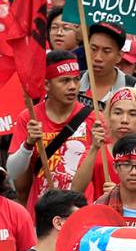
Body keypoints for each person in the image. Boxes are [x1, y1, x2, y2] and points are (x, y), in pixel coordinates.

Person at [7, 51, 95, 211]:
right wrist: (28, 144)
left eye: (76, 79)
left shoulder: (94, 119)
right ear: (46, 84)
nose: (73, 86)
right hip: (42, 217)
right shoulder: (29, 118)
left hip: (80, 213)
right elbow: (13, 172)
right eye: (65, 81)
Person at [71, 87, 136, 201]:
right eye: (118, 113)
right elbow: (76, 191)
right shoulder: (95, 154)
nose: (124, 120)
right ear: (108, 117)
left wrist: (121, 194)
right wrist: (94, 148)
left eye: (133, 114)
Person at [80, 22, 136, 108]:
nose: (98, 57)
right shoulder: (73, 82)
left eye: (106, 51)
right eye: (93, 49)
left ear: (119, 56)